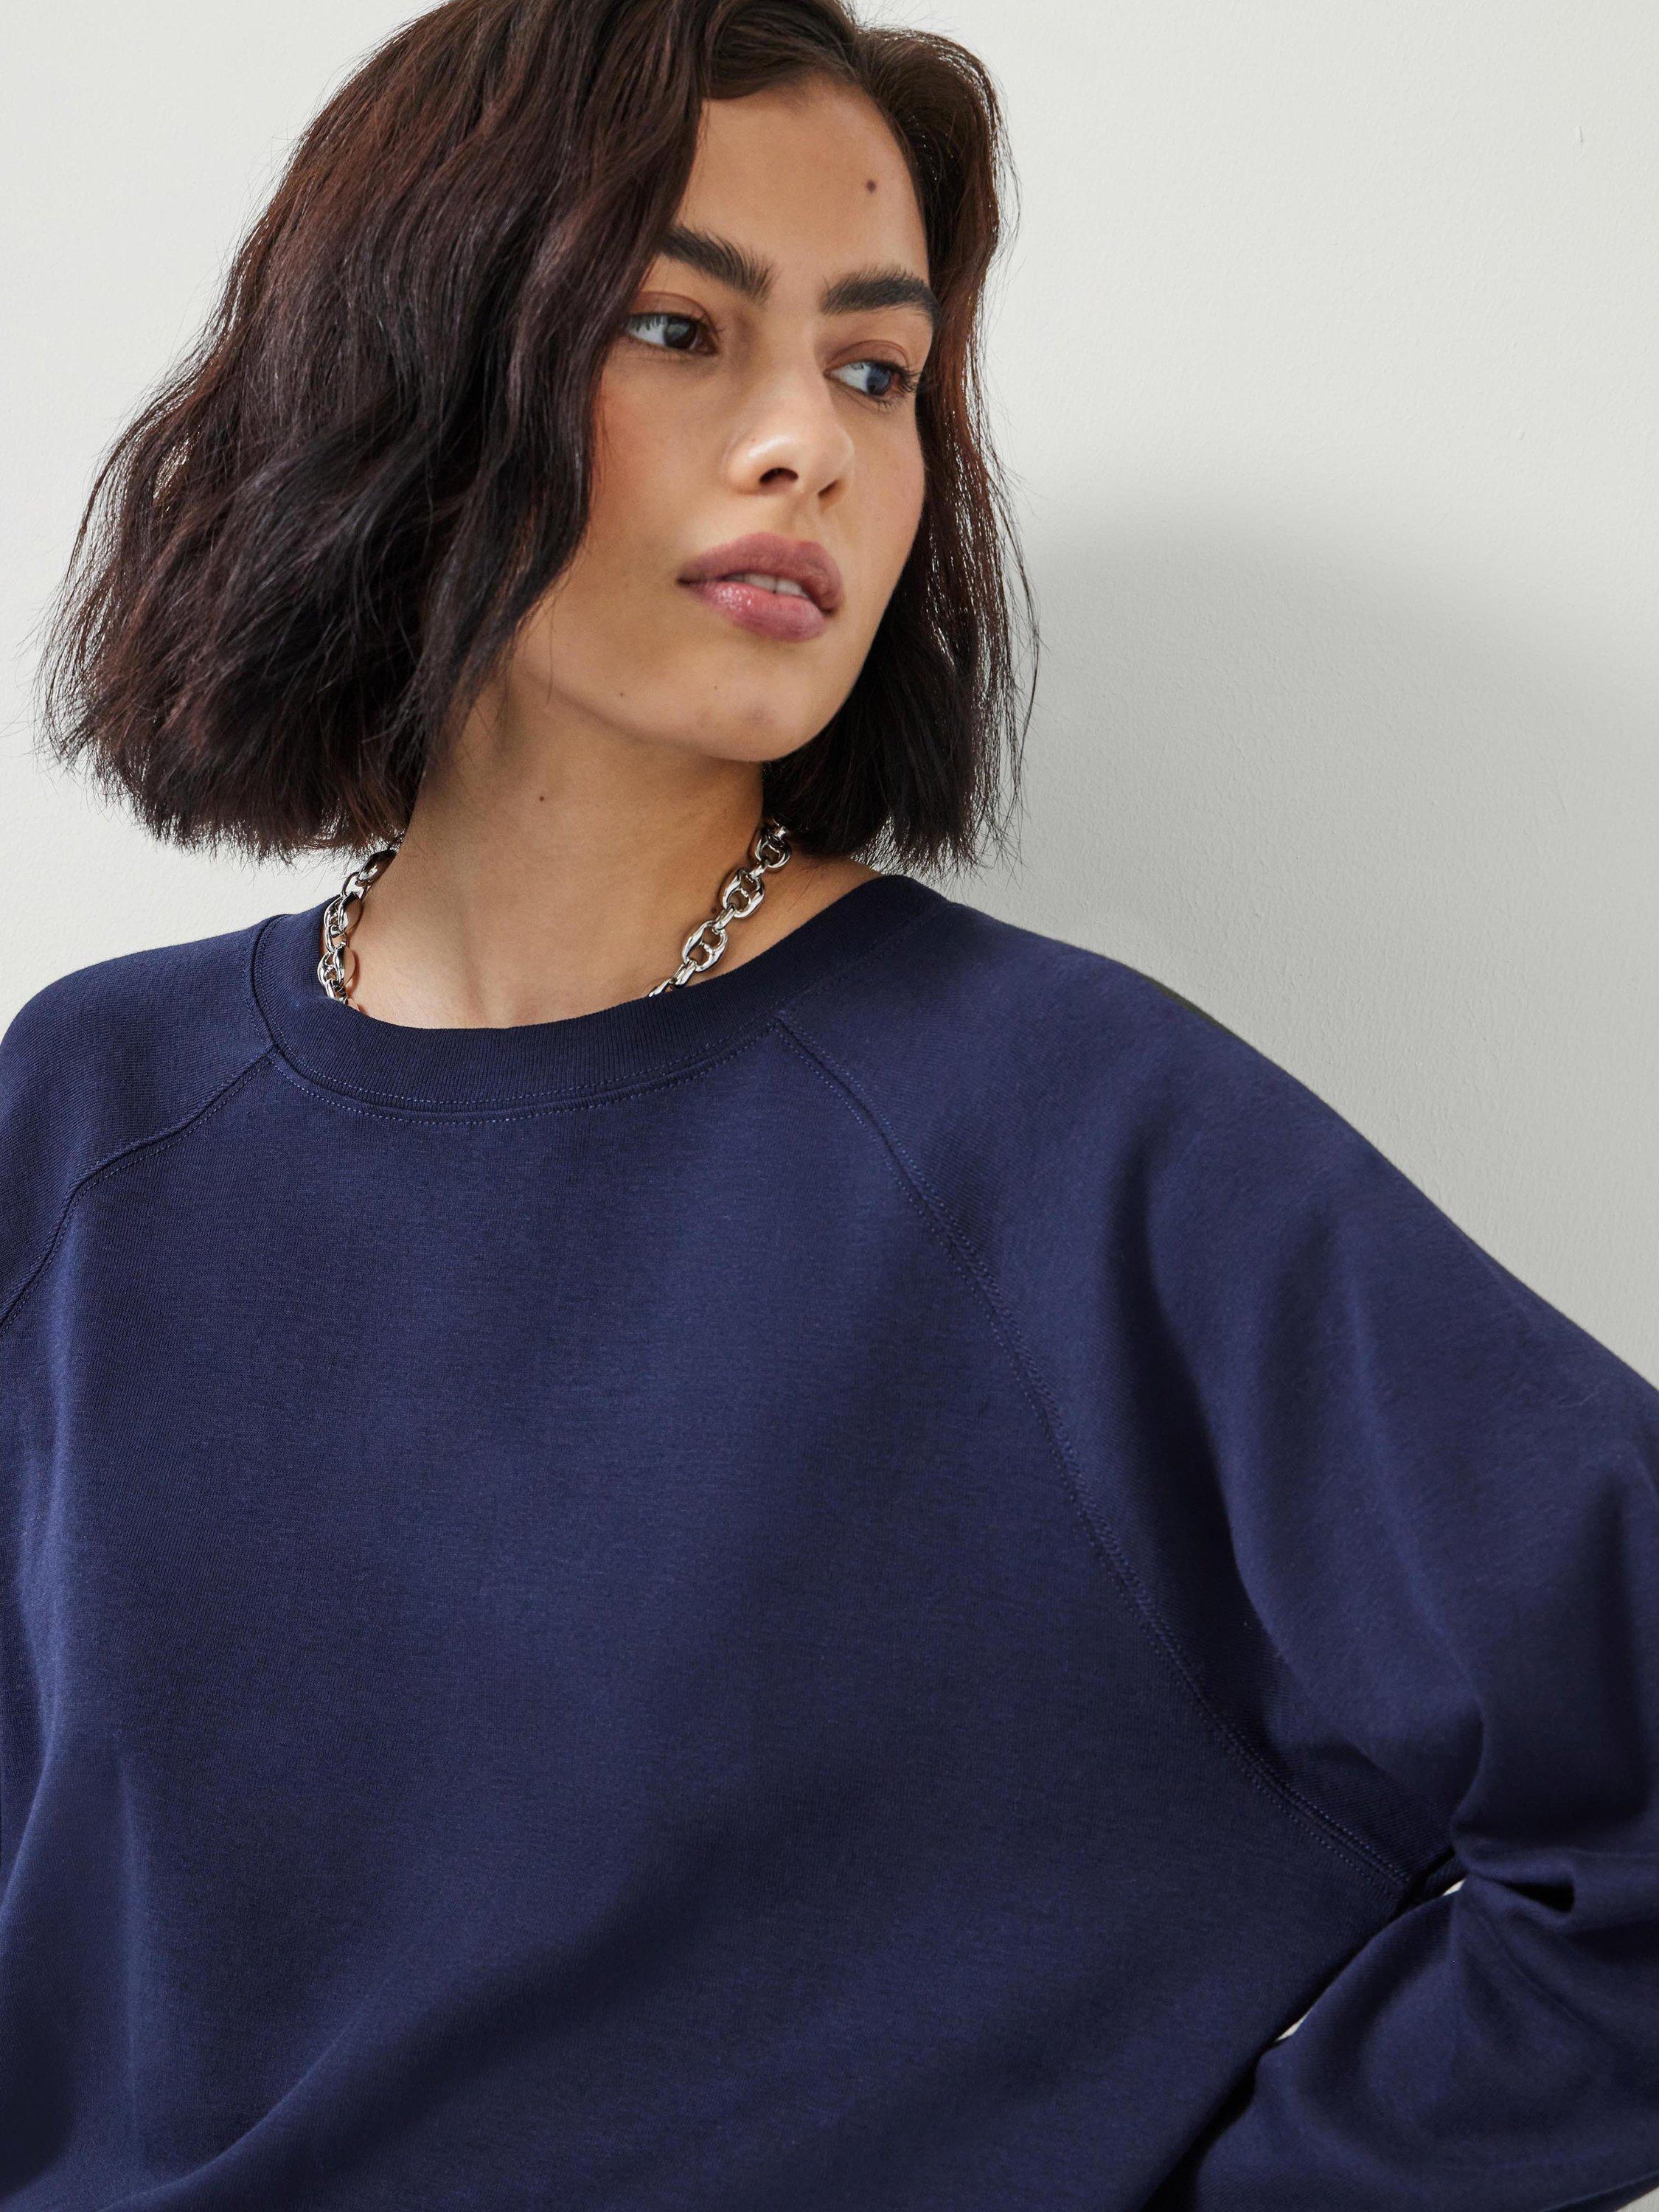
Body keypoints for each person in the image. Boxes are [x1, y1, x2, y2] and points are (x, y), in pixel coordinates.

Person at [4, 0, 1658, 2205]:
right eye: (679, 329)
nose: (811, 445)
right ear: (410, 361)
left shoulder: (1066, 1134)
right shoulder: (86, 1111)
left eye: (878, 370)